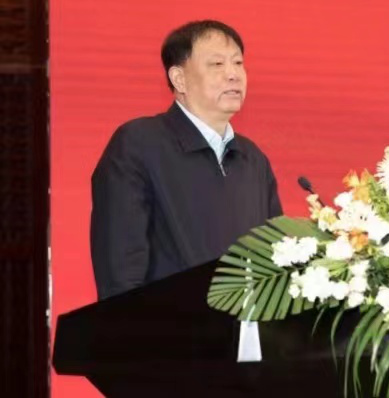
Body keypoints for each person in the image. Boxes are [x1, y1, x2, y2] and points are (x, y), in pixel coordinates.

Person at [91, 20, 282, 300]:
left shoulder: (252, 159)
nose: (233, 74)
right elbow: (120, 267)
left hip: (244, 325)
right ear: (179, 79)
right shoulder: (139, 143)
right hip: (169, 324)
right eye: (217, 64)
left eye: (238, 63)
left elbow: (275, 259)